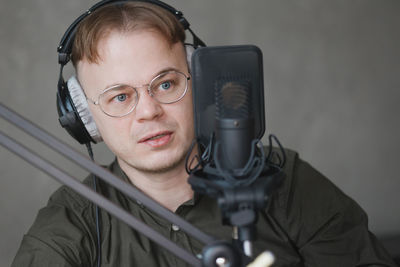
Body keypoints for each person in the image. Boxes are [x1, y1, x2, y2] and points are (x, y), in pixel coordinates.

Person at [11, 1, 396, 267]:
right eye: (120, 96)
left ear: (201, 83)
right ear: (85, 118)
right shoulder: (71, 221)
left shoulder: (282, 181)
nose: (148, 111)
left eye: (165, 84)